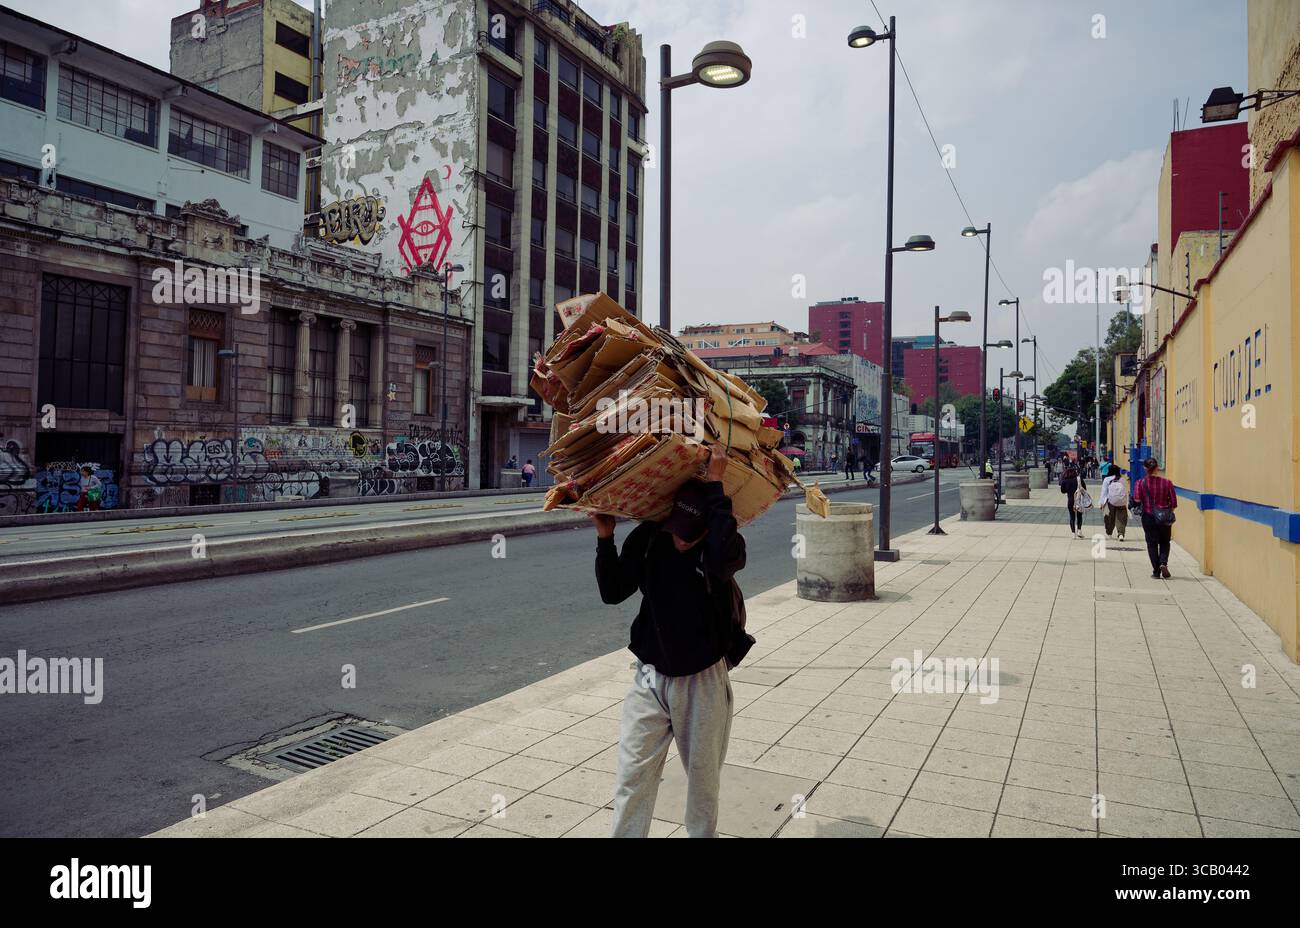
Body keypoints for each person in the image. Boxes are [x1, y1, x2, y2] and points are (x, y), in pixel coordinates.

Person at [591, 445, 746, 838]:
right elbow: (613, 591)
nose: (679, 540)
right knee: (632, 775)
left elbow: (725, 559)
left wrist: (715, 487)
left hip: (703, 680)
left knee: (702, 784)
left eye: (688, 534)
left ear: (707, 528)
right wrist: (605, 539)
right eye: (674, 528)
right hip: (649, 677)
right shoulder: (649, 539)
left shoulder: (721, 548)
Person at [1132, 457, 1177, 579]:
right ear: (1157, 468)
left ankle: (1156, 571)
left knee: (1151, 544)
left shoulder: (1140, 483)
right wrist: (1165, 512)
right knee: (1164, 541)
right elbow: (1174, 503)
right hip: (1164, 518)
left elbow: (1136, 499)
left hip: (1148, 516)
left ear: (1145, 468)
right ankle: (1163, 562)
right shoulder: (1167, 483)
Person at [1099, 463, 1128, 542]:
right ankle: (1121, 533)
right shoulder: (1122, 479)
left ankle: (1109, 532)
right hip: (1121, 502)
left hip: (1110, 501)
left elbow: (1104, 492)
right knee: (1121, 518)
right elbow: (1125, 491)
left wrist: (1101, 502)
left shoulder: (1107, 479)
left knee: (1109, 517)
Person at [1059, 459, 1086, 537]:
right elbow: (1084, 489)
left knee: (1072, 516)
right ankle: (1079, 531)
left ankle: (1073, 533)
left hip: (1070, 500)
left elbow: (1063, 491)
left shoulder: (1064, 481)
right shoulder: (1079, 479)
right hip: (1079, 500)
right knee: (1079, 516)